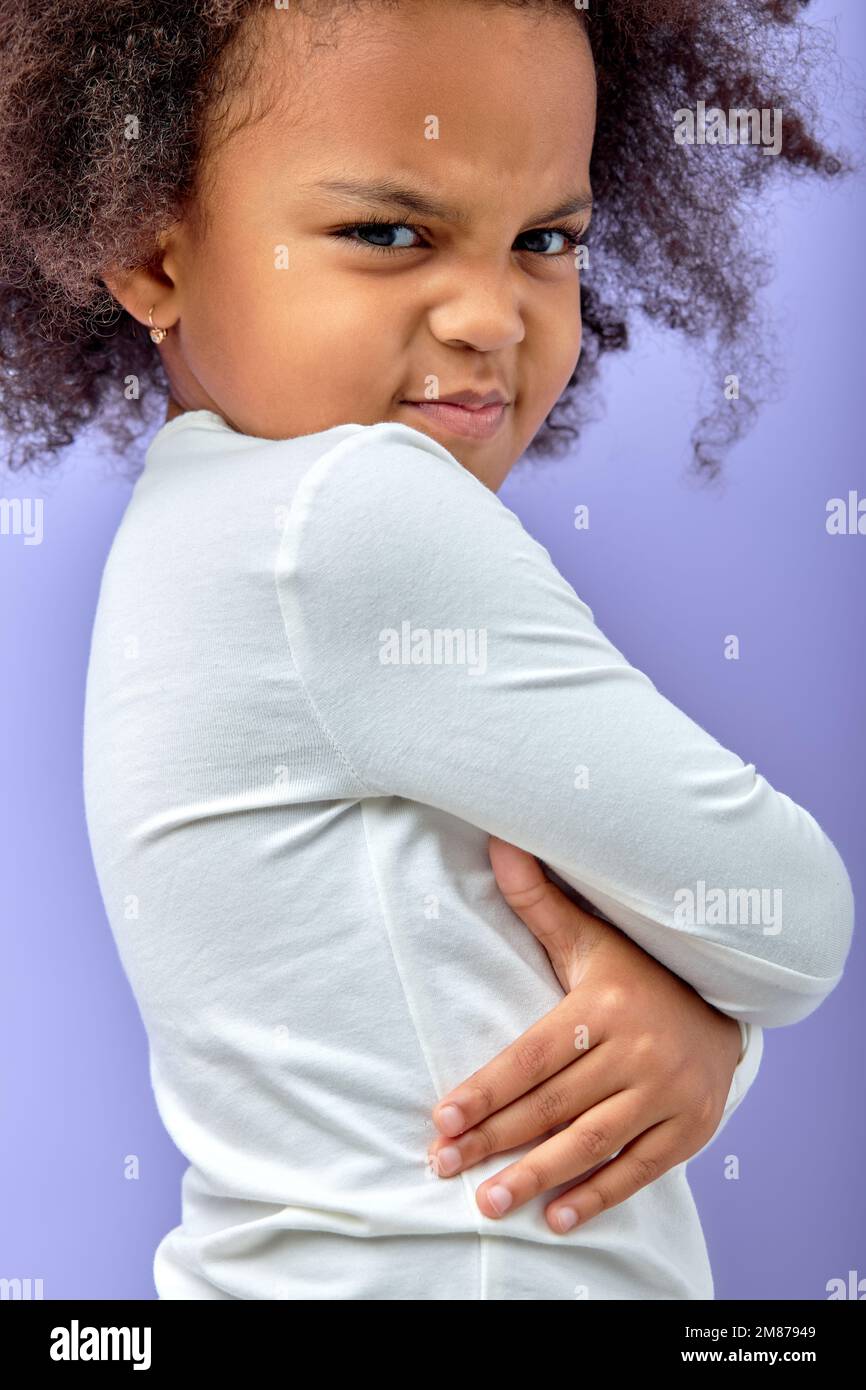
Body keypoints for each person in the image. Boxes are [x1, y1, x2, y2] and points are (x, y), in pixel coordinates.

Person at [1, 0, 854, 1299]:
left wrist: (692, 1018)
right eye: (388, 232)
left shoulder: (201, 527)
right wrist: (710, 1028)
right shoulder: (349, 513)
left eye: (544, 240)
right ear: (150, 251)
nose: (492, 316)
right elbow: (790, 920)